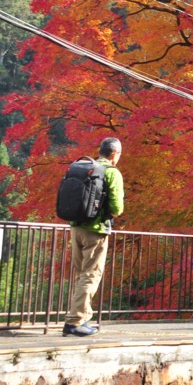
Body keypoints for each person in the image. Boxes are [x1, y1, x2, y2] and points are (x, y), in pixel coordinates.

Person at [64, 137, 125, 337]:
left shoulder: (84, 167)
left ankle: (80, 317)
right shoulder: (111, 172)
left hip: (76, 226)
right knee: (91, 274)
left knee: (82, 274)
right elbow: (117, 208)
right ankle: (74, 322)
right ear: (115, 154)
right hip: (96, 230)